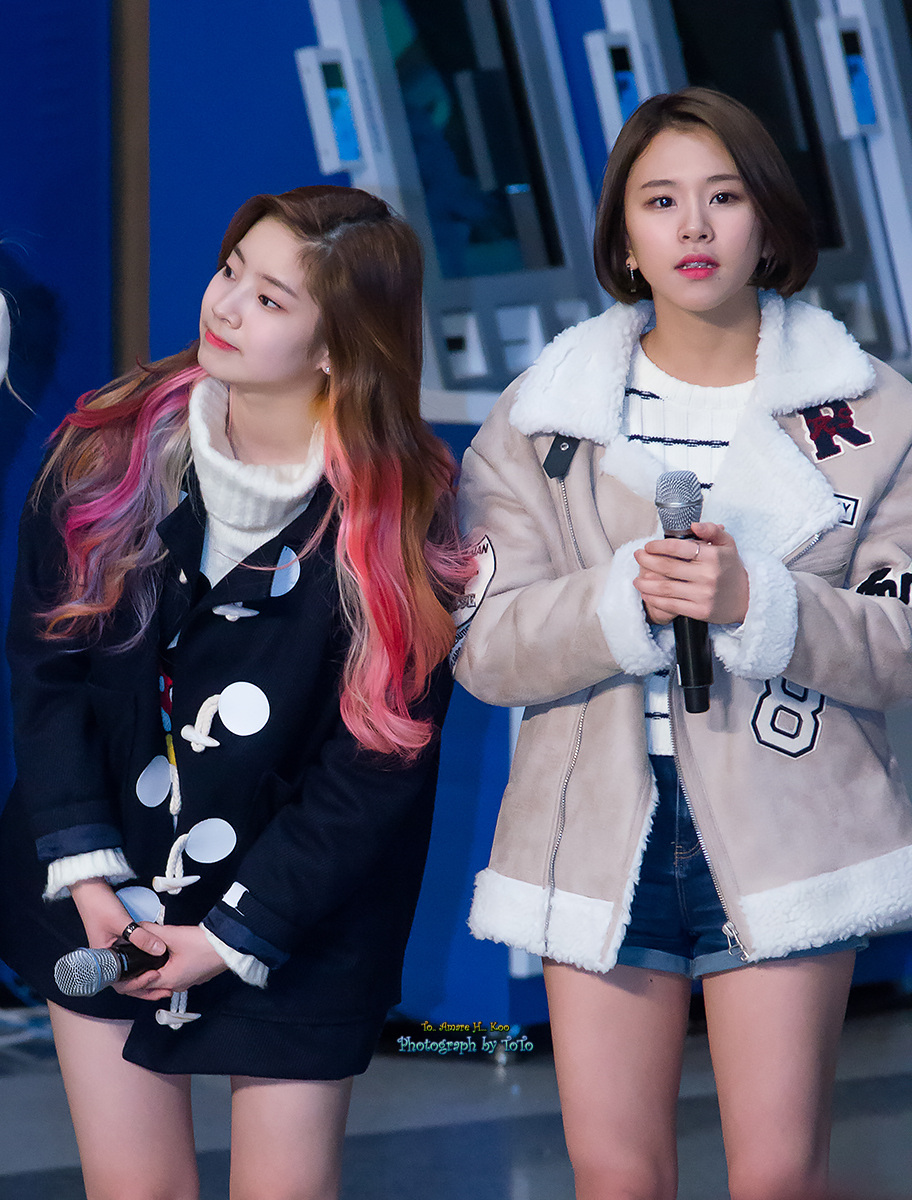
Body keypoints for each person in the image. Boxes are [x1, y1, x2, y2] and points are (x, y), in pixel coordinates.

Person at [453, 88, 912, 1200]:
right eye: (660, 202)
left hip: (790, 822)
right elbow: (486, 645)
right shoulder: (543, 416)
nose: (694, 228)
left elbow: (901, 641)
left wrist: (761, 602)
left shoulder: (877, 415)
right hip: (594, 826)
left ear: (769, 221)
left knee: (779, 1175)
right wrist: (621, 604)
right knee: (615, 1175)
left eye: (724, 197)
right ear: (623, 236)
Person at [0, 184, 472, 1200]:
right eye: (230, 272)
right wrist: (92, 882)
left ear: (338, 347)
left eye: (269, 299)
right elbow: (48, 674)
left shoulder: (404, 513)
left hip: (300, 905)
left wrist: (226, 938)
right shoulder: (107, 451)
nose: (225, 305)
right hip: (107, 878)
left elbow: (376, 767)